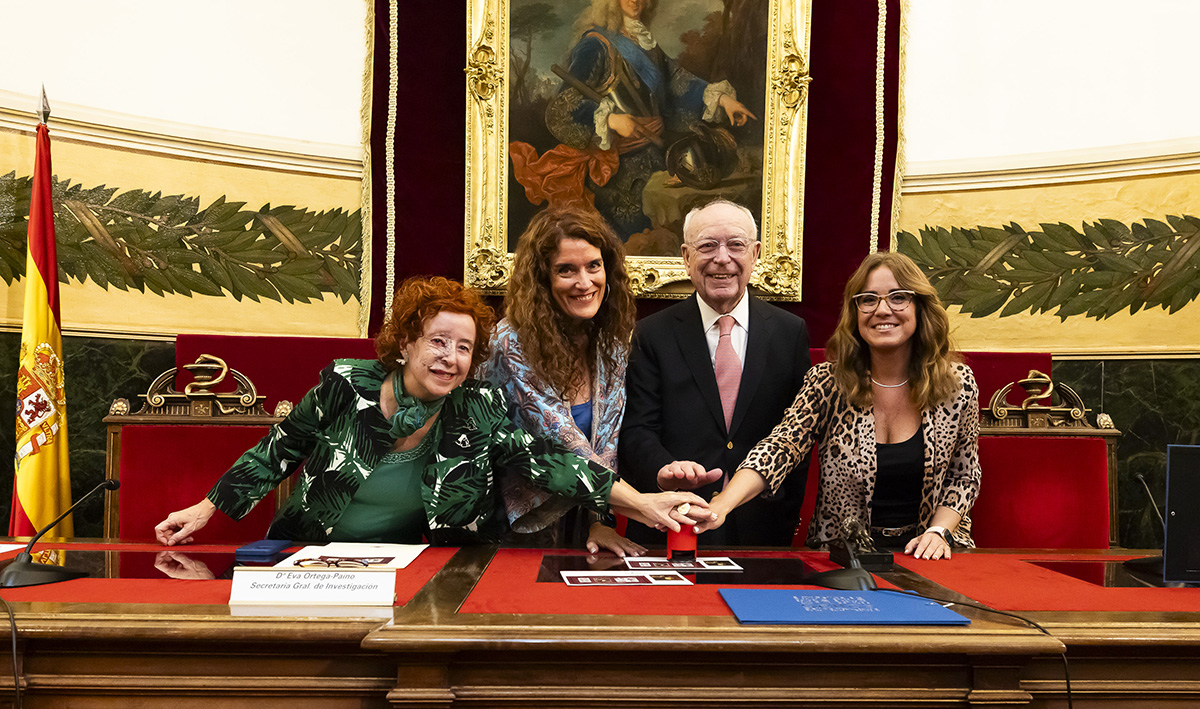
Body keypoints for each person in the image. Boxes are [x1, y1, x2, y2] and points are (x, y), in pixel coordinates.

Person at [155, 276, 710, 546]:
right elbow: (278, 451)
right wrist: (206, 509)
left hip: (419, 567)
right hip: (314, 555)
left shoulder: (478, 409)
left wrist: (643, 503)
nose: (450, 358)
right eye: (438, 341)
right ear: (405, 343)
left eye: (464, 348)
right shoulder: (345, 384)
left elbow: (553, 463)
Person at [695, 252, 981, 560]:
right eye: (868, 300)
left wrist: (938, 532)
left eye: (898, 297)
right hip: (842, 556)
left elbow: (964, 476)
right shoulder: (827, 382)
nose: (882, 310)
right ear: (855, 313)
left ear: (920, 307)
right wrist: (722, 504)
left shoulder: (957, 384)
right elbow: (780, 448)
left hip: (931, 552)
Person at [619, 199, 811, 548]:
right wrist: (664, 470)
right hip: (673, 521)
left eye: (736, 245)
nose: (722, 258)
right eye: (707, 246)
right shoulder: (651, 334)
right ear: (686, 256)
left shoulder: (790, 332)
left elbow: (798, 435)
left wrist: (785, 512)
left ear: (755, 254)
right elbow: (636, 428)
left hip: (763, 527)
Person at [512, 0, 757, 239]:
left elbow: (677, 82)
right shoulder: (595, 45)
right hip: (620, 173)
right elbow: (562, 108)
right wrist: (611, 121)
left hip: (658, 157)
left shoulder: (646, 43)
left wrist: (723, 100)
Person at [480, 207, 642, 555]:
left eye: (593, 266)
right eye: (566, 270)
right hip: (512, 530)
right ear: (542, 279)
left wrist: (600, 521)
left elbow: (607, 443)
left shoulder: (610, 343)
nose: (584, 282)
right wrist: (643, 504)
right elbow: (562, 442)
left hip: (585, 526)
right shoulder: (510, 342)